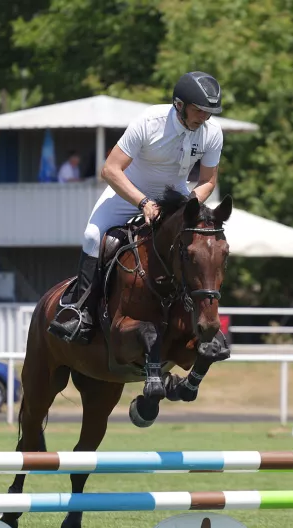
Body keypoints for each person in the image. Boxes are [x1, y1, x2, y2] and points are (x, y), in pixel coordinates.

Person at [48, 71, 225, 344]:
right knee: (93, 236)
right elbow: (110, 169)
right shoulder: (150, 122)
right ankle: (79, 311)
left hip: (175, 194)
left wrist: (187, 206)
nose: (205, 117)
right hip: (128, 190)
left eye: (209, 112)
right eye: (199, 110)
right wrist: (142, 202)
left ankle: (198, 317)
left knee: (202, 245)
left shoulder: (212, 133)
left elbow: (208, 181)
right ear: (180, 105)